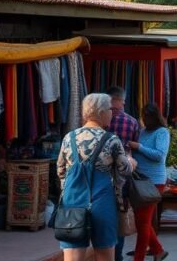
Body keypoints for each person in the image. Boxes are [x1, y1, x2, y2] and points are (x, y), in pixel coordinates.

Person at [57, 93, 134, 261]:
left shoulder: (69, 138)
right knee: (105, 255)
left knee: (72, 257)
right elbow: (125, 170)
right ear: (101, 112)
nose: (112, 113)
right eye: (110, 109)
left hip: (73, 202)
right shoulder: (111, 140)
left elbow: (61, 170)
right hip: (102, 202)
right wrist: (131, 161)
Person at [126, 103, 170, 261]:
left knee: (143, 221)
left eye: (145, 116)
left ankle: (139, 257)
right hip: (139, 180)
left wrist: (139, 147)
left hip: (154, 181)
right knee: (141, 220)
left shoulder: (162, 132)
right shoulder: (142, 132)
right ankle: (158, 250)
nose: (143, 119)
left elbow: (159, 155)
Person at [105, 86, 139, 261]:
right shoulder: (132, 122)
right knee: (121, 214)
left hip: (102, 175)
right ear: (121, 100)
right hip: (123, 176)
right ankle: (117, 254)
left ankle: (107, 252)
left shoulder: (102, 120)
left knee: (104, 215)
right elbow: (134, 148)